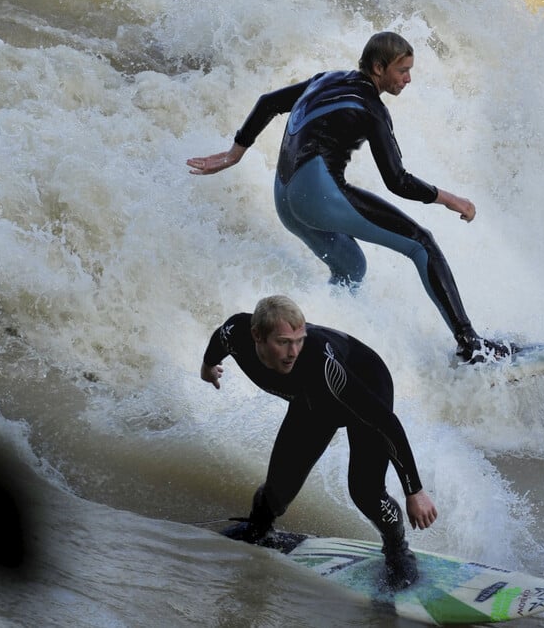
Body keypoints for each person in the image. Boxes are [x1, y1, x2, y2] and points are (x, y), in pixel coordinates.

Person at [187, 32, 511, 363]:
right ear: (378, 67)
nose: (408, 79)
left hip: (284, 198)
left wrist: (234, 154)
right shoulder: (372, 109)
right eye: (402, 71)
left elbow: (268, 102)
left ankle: (310, 348)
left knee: (352, 268)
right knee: (421, 243)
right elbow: (397, 181)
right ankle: (472, 345)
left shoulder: (326, 79)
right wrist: (450, 199)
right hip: (316, 195)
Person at [200, 294, 438, 590]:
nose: (292, 352)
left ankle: (397, 548)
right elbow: (218, 342)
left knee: (365, 491)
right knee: (276, 491)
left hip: (365, 385)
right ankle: (258, 530)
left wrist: (414, 491)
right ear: (256, 336)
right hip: (312, 403)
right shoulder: (236, 332)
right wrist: (208, 367)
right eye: (284, 342)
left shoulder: (320, 364)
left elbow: (385, 422)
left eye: (299, 340)